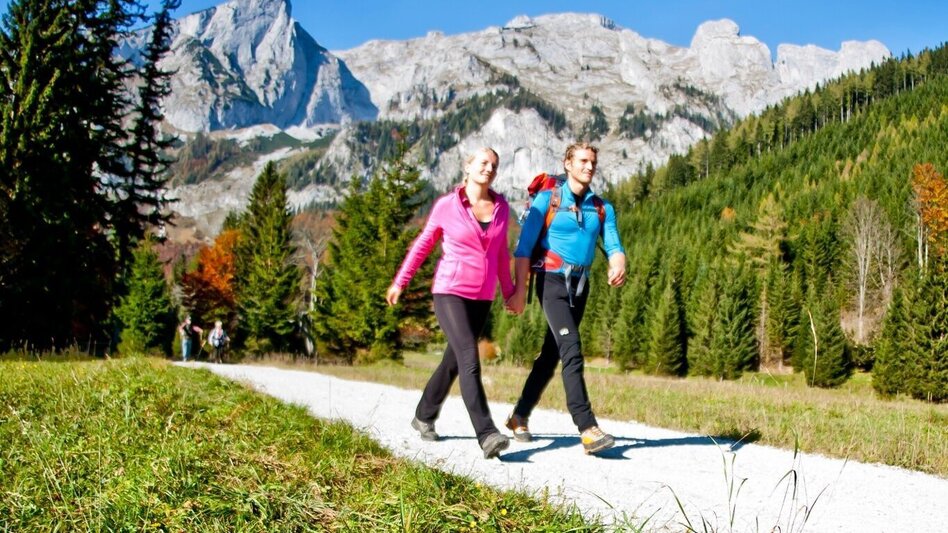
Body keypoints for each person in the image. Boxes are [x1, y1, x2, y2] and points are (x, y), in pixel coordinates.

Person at [386, 147, 520, 459]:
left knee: (452, 362)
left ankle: (423, 416)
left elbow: (501, 254)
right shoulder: (448, 205)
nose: (489, 169)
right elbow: (423, 245)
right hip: (450, 291)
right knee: (469, 359)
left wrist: (509, 291)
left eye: (494, 166)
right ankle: (486, 434)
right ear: (469, 166)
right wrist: (400, 282)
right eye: (483, 163)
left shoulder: (500, 207)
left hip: (482, 296)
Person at [506, 142, 626, 455]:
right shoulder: (547, 201)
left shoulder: (602, 208)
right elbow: (522, 250)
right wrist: (520, 290)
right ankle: (587, 428)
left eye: (593, 162)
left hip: (581, 285)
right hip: (551, 280)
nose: (589, 167)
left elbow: (613, 245)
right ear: (568, 164)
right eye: (583, 161)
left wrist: (618, 264)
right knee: (571, 348)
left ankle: (519, 414)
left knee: (551, 354)